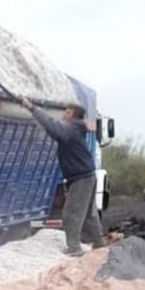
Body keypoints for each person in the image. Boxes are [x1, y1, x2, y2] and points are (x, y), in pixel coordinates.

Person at [21, 97, 106, 256]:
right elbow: (55, 131)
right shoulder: (76, 129)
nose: (63, 115)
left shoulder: (72, 129)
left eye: (67, 113)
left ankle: (74, 248)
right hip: (87, 175)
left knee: (71, 213)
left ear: (73, 116)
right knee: (89, 213)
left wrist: (32, 108)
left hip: (81, 177)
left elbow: (54, 127)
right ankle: (99, 242)